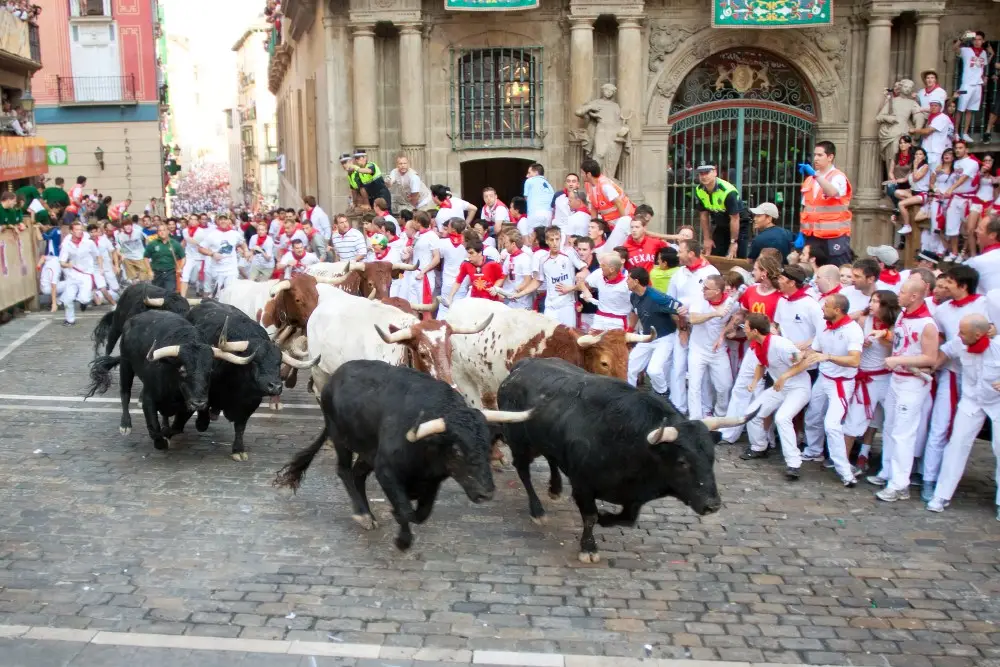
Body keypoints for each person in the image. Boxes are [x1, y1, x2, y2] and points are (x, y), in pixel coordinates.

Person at [919, 265, 988, 502]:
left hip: (986, 380)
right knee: (940, 426)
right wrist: (933, 364)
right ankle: (930, 479)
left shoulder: (985, 305)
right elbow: (942, 345)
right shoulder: (942, 311)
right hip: (952, 374)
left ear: (962, 284)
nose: (944, 285)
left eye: (948, 281)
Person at [868, 279, 940, 502]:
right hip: (897, 379)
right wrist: (885, 336)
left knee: (903, 433)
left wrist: (898, 359)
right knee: (890, 427)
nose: (898, 295)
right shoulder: (903, 315)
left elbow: (930, 357)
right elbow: (901, 340)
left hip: (913, 382)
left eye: (903, 292)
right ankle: (887, 471)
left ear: (915, 296)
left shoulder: (927, 324)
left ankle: (900, 484)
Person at [925, 313, 1000, 514]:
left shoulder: (998, 346)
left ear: (978, 334)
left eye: (963, 332)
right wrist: (929, 368)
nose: (959, 334)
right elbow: (943, 354)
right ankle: (942, 494)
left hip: (997, 403)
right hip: (971, 401)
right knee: (956, 445)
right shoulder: (960, 343)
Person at [796, 293, 865, 486]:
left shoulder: (853, 330)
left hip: (841, 384)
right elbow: (815, 351)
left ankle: (845, 472)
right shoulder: (825, 327)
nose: (822, 308)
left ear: (837, 310)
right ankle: (813, 451)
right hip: (824, 378)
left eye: (826, 305)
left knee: (832, 424)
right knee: (812, 415)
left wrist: (828, 357)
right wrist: (799, 354)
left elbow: (854, 360)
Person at [740, 313, 812, 479]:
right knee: (751, 413)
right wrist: (754, 382)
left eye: (747, 327)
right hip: (780, 388)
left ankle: (793, 464)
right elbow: (761, 365)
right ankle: (759, 447)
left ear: (755, 331)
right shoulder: (758, 345)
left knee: (782, 418)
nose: (744, 330)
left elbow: (802, 362)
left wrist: (784, 376)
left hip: (798, 388)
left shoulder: (781, 345)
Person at [666, 239, 721, 414]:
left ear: (691, 253)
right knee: (678, 366)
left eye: (681, 251)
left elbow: (715, 301)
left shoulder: (711, 272)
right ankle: (678, 407)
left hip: (704, 330)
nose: (677, 255)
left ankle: (705, 410)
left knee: (701, 372)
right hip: (681, 326)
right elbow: (671, 302)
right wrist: (682, 327)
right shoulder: (678, 273)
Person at [626, 266, 683, 396]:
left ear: (636, 281)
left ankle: (663, 393)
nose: (626, 281)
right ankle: (630, 396)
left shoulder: (657, 298)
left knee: (654, 370)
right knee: (630, 366)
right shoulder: (633, 297)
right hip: (646, 337)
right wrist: (630, 329)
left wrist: (683, 329)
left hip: (664, 338)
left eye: (628, 278)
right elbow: (634, 312)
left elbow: (680, 307)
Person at [686, 274, 735, 419]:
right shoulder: (699, 299)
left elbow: (738, 316)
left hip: (718, 351)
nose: (703, 290)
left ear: (717, 291)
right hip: (697, 349)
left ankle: (719, 416)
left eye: (707, 288)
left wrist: (728, 331)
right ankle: (695, 420)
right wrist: (714, 314)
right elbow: (693, 319)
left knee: (725, 385)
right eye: (703, 287)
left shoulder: (731, 302)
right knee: (694, 385)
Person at [798, 141, 853, 267]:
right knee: (813, 270)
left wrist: (816, 176)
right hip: (813, 236)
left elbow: (832, 192)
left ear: (830, 157)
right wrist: (801, 233)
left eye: (820, 155)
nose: (815, 158)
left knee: (836, 270)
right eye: (814, 155)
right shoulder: (809, 180)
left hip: (835, 236)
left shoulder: (838, 177)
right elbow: (806, 209)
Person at [693, 162, 744, 259]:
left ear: (715, 172)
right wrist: (707, 239)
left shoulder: (728, 191)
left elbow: (735, 219)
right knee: (713, 254)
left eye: (707, 172)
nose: (704, 176)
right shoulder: (699, 190)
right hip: (721, 224)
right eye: (701, 174)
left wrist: (733, 242)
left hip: (739, 225)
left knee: (738, 257)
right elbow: (704, 215)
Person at [58, 221, 100, 327]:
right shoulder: (66, 245)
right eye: (77, 230)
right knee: (68, 299)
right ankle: (70, 320)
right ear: (71, 231)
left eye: (81, 229)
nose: (79, 232)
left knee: (84, 298)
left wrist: (100, 268)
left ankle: (83, 303)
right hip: (73, 274)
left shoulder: (89, 243)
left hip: (86, 274)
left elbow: (98, 255)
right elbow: (62, 262)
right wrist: (68, 265)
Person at [954, 31, 992, 142]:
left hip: (977, 85)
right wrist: (962, 38)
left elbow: (983, 66)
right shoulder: (966, 51)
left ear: (983, 41)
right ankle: (956, 132)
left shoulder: (984, 53)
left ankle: (965, 133)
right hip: (966, 84)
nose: (977, 41)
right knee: (961, 109)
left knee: (970, 109)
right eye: (975, 39)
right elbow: (955, 48)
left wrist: (984, 76)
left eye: (979, 39)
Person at [579, 252, 631, 331]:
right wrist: (586, 291)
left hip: (617, 322)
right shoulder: (599, 274)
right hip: (599, 319)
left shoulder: (627, 284)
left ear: (612, 269)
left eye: (603, 265)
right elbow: (581, 283)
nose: (600, 266)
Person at [446, 239, 505, 304]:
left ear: (480, 253)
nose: (468, 256)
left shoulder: (492, 263)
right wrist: (450, 297)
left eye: (471, 253)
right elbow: (458, 281)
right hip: (475, 301)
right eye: (467, 253)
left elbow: (501, 277)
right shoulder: (465, 264)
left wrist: (495, 288)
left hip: (491, 301)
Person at [200, 215, 246, 297]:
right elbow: (201, 248)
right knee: (219, 295)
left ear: (229, 221)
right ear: (217, 221)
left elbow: (242, 243)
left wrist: (246, 251)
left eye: (225, 219)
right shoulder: (212, 235)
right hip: (218, 271)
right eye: (221, 219)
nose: (223, 221)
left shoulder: (235, 234)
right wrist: (212, 254)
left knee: (230, 293)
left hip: (232, 270)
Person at [581, 158, 635, 223]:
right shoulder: (588, 185)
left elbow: (619, 203)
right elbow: (593, 207)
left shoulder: (605, 186)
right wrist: (593, 225)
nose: (581, 175)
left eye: (582, 173)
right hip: (610, 222)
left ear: (589, 174)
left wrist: (623, 222)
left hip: (625, 217)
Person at [911, 99, 953, 169]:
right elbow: (926, 133)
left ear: (940, 107)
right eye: (931, 106)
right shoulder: (932, 117)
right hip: (927, 151)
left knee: (934, 174)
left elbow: (928, 131)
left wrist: (914, 130)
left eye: (936, 106)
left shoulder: (942, 117)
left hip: (936, 152)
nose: (933, 107)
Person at [143, 223, 184, 292]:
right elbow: (146, 257)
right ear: (157, 232)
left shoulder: (175, 243)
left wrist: (180, 268)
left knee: (170, 293)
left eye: (164, 230)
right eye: (160, 230)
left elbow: (183, 257)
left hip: (170, 272)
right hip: (157, 273)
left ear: (168, 231)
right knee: (157, 294)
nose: (162, 232)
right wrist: (149, 270)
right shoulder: (153, 244)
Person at [115, 218, 149, 283]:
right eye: (125, 225)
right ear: (123, 227)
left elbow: (146, 239)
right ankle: (136, 290)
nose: (128, 227)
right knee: (133, 279)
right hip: (128, 258)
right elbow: (119, 248)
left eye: (129, 225)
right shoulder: (120, 236)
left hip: (140, 256)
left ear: (131, 225)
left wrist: (146, 250)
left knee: (143, 278)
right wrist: (122, 255)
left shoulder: (138, 232)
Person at [523, 163, 554, 228]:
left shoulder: (529, 181)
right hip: (548, 214)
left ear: (536, 173)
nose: (527, 176)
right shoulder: (549, 185)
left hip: (534, 212)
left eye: (529, 173)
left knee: (533, 235)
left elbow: (526, 198)